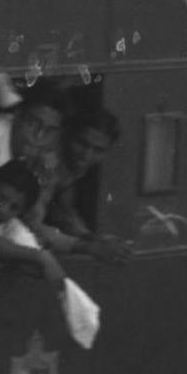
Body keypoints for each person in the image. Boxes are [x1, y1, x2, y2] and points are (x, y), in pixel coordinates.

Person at [38, 109, 131, 263]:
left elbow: (62, 213)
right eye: (82, 143)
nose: (86, 155)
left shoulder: (71, 167)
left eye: (98, 150)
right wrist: (89, 247)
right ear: (67, 135)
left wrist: (93, 238)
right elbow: (32, 226)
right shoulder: (46, 162)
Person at [0, 161, 66, 286]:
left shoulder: (15, 231)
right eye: (1, 197)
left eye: (14, 207)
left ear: (21, 213)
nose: (3, 209)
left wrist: (41, 257)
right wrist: (39, 256)